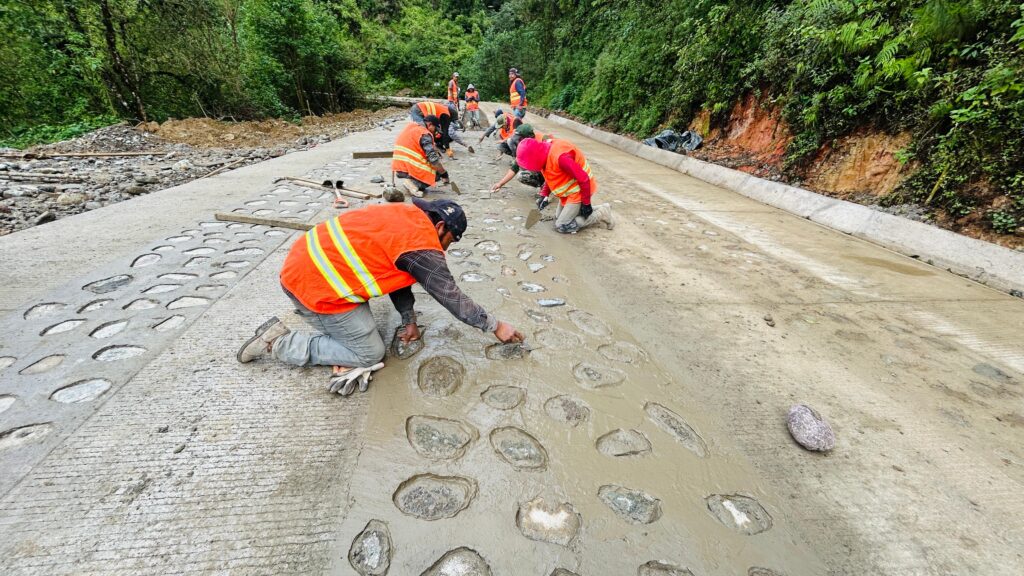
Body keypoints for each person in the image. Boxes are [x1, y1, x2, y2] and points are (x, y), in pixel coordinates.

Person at [237, 199, 525, 395]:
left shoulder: (408, 217)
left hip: (310, 264)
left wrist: (408, 319)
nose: (445, 250)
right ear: (441, 228)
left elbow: (397, 273)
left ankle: (338, 340)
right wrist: (496, 326)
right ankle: (278, 343)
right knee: (369, 354)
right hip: (313, 287)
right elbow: (453, 299)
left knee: (363, 335)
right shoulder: (424, 247)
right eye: (450, 241)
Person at [516, 137, 615, 234]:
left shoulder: (561, 158)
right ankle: (601, 208)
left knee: (562, 225)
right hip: (568, 192)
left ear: (535, 157)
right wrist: (544, 195)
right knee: (558, 217)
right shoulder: (543, 156)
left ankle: (602, 213)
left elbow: (584, 179)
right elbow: (550, 176)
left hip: (579, 190)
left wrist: (586, 202)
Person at [391, 116, 450, 197]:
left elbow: (415, 145)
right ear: (429, 124)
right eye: (435, 128)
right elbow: (433, 160)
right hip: (407, 167)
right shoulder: (424, 133)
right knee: (436, 172)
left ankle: (413, 180)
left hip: (398, 165)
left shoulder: (412, 126)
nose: (435, 131)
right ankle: (414, 184)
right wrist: (444, 173)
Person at [490, 123, 551, 192]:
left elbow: (553, 163)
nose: (518, 142)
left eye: (520, 139)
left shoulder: (544, 142)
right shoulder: (524, 146)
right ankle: (543, 185)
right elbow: (514, 168)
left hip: (553, 169)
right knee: (522, 175)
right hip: (541, 167)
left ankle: (548, 188)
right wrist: (500, 184)